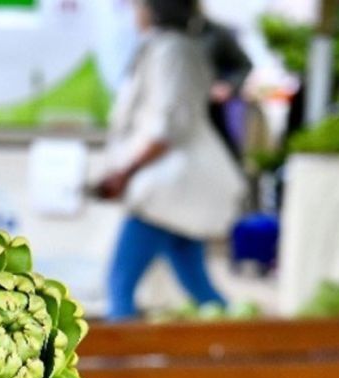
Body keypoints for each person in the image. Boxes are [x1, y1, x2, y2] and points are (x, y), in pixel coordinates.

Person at [96, 0, 245, 321]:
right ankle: (241, 350)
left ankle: (118, 364)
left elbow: (168, 125)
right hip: (175, 184)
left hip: (164, 186)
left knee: (121, 282)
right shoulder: (174, 47)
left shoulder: (170, 50)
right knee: (198, 283)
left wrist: (125, 171)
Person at [193, 11, 253, 159]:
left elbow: (244, 65)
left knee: (224, 153)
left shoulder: (216, 33)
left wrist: (228, 86)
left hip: (211, 107)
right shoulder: (167, 33)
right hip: (181, 106)